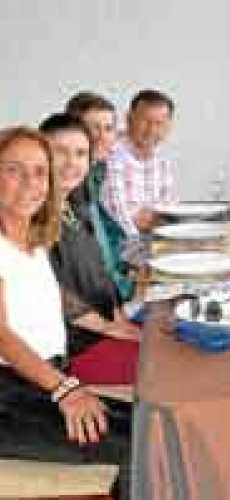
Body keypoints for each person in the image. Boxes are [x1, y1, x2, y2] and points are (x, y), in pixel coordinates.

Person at [0, 126, 130, 498]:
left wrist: (112, 326)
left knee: (151, 427)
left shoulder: (31, 239)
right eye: (14, 170)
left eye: (40, 171)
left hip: (42, 380)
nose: (30, 182)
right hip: (11, 396)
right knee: (141, 446)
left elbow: (47, 295)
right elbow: (3, 334)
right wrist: (65, 390)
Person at [40, 114, 140, 384]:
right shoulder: (31, 214)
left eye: (81, 153)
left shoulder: (72, 206)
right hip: (75, 347)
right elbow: (46, 290)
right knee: (168, 367)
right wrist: (111, 328)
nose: (72, 163)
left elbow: (99, 272)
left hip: (104, 329)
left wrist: (119, 318)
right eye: (59, 152)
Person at [65, 91, 134, 301]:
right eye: (93, 128)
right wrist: (129, 287)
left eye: (108, 129)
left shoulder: (95, 172)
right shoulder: (68, 186)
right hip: (100, 305)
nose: (102, 137)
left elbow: (112, 236)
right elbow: (89, 262)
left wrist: (134, 267)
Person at [101, 89, 178, 236]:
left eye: (159, 123)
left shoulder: (162, 161)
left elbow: (168, 212)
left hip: (154, 242)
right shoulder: (111, 152)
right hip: (122, 247)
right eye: (145, 121)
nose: (151, 130)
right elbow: (119, 216)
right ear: (129, 119)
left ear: (168, 127)